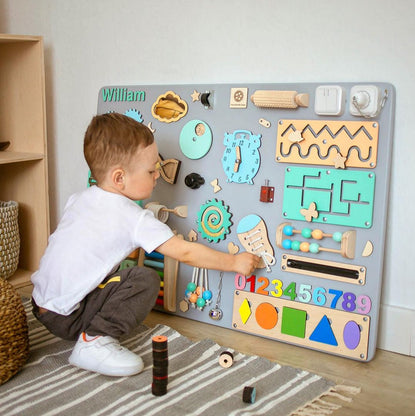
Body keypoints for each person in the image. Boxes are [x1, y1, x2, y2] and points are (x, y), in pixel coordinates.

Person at [31, 113, 260, 377]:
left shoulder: (79, 199)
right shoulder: (132, 216)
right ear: (119, 178)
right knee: (144, 279)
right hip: (67, 317)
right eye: (151, 171)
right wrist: (234, 262)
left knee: (118, 274)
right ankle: (93, 341)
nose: (157, 177)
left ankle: (89, 333)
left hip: (41, 305)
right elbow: (185, 251)